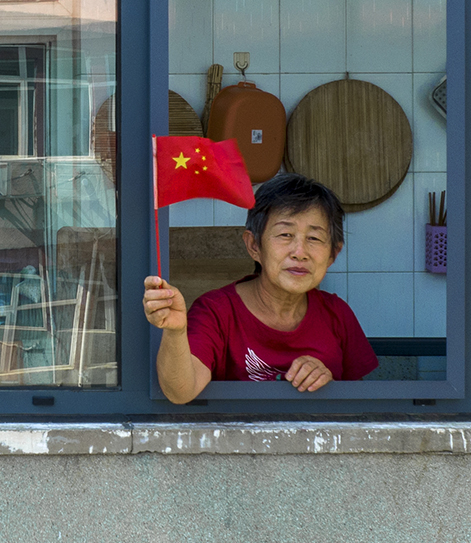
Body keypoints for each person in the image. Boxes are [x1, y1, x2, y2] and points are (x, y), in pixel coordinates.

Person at [146, 173, 377, 403]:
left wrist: (330, 385)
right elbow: (180, 392)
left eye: (314, 238)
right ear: (254, 245)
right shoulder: (215, 312)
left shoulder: (337, 314)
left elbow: (360, 405)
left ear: (333, 254)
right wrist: (175, 332)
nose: (300, 252)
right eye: (285, 234)